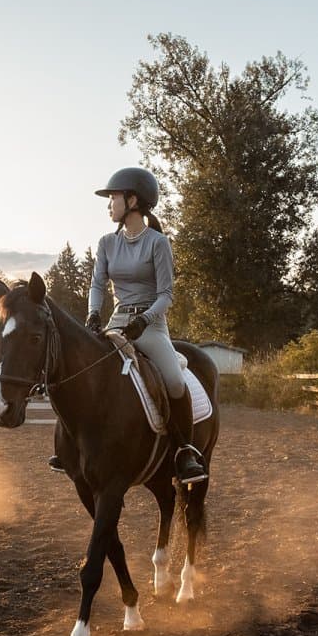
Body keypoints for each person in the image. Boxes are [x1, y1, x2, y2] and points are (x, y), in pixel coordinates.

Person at [48, 167, 208, 484]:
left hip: (151, 325)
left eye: (113, 198)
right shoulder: (107, 242)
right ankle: (70, 447)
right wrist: (93, 314)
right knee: (79, 371)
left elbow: (166, 294)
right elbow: (97, 284)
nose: (109, 204)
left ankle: (184, 451)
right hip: (116, 321)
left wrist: (145, 320)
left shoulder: (158, 243)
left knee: (175, 382)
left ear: (132, 201)